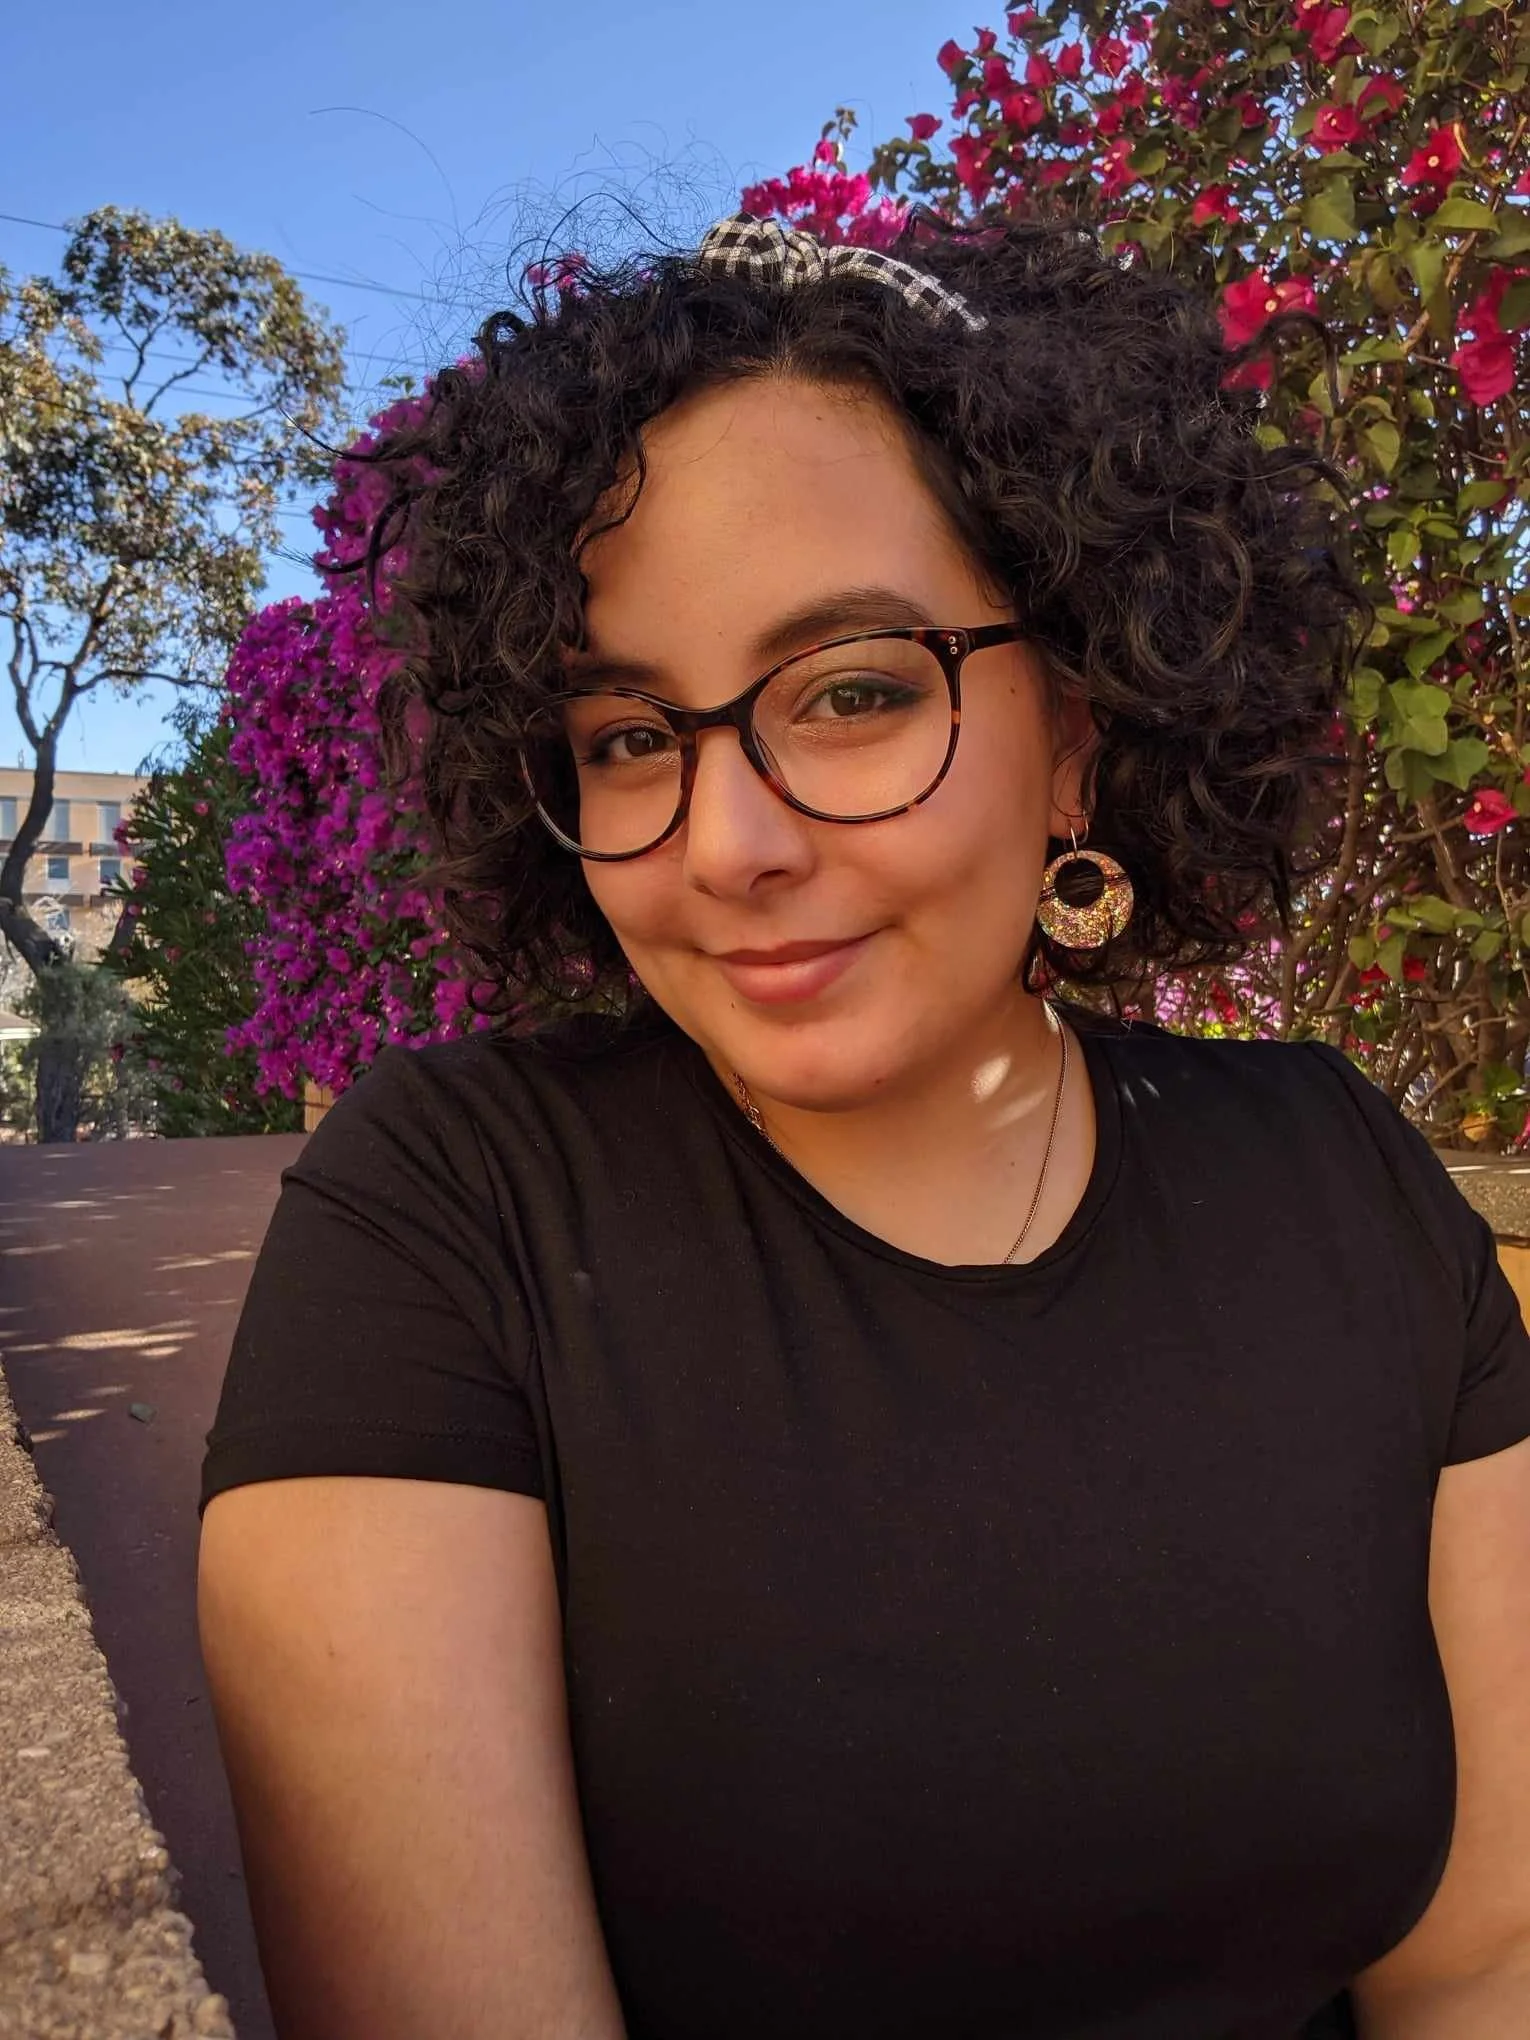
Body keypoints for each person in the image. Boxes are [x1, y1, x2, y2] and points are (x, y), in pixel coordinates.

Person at [196, 208, 1530, 2040]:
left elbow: (1478, 1964)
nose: (730, 843)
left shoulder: (1338, 1176)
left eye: (851, 694)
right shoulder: (451, 1214)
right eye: (630, 735)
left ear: (1075, 725)